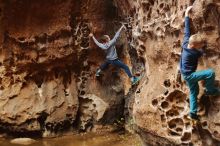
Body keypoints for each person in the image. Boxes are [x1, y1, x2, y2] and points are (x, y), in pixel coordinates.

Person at [180, 6, 220, 121]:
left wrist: (187, 14)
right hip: (190, 75)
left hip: (185, 74)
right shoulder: (193, 53)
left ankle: (193, 113)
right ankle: (210, 90)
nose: (201, 47)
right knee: (210, 73)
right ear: (194, 46)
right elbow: (202, 52)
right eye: (200, 46)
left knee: (194, 92)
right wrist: (205, 48)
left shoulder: (186, 41)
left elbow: (187, 29)